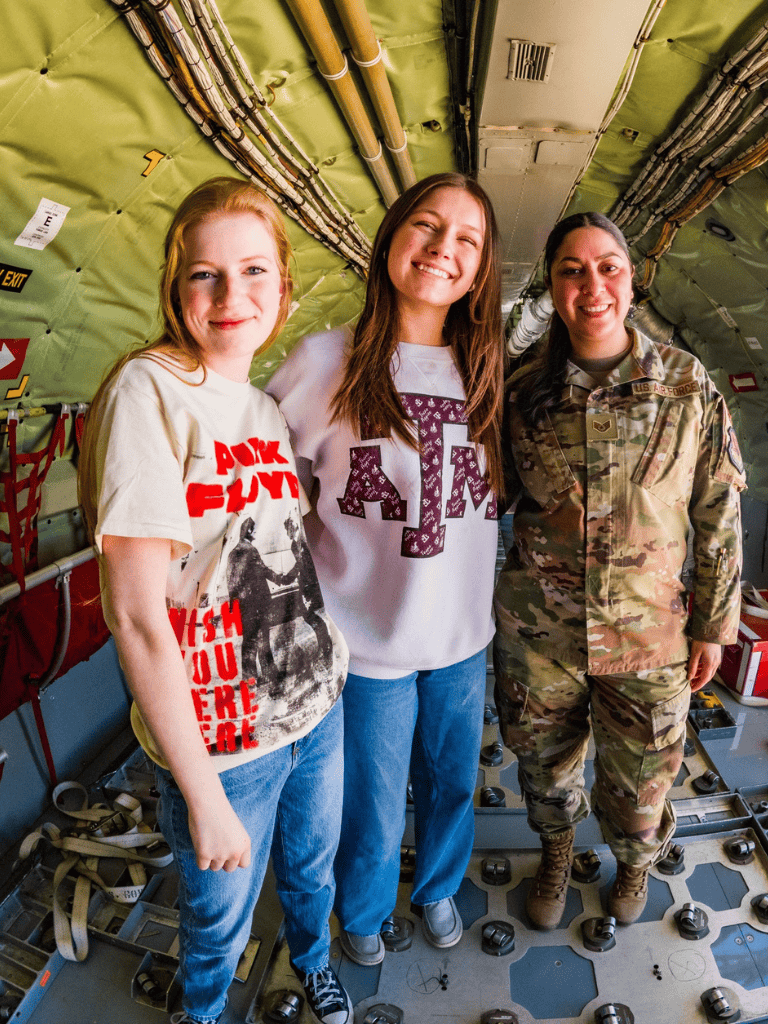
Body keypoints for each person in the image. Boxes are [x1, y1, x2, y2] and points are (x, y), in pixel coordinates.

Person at [78, 177, 352, 1024]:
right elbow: (134, 616)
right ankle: (201, 1013)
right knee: (218, 923)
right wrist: (201, 796)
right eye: (206, 275)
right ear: (176, 290)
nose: (232, 296)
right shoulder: (147, 395)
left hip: (314, 709)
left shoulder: (266, 411)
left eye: (254, 271)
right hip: (226, 747)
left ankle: (312, 962)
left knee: (312, 872)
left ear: (285, 288)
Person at [267, 172, 504, 966]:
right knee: (368, 803)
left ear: (481, 268)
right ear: (392, 237)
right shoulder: (322, 361)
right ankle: (362, 913)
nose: (443, 251)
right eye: (427, 227)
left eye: (466, 241)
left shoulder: (490, 369)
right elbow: (264, 489)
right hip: (363, 643)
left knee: (451, 786)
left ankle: (437, 887)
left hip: (463, 639)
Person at [493, 211, 745, 930]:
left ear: (633, 279)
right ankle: (557, 846)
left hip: (650, 632)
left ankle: (635, 862)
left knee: (643, 779)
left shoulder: (685, 384)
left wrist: (714, 628)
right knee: (542, 764)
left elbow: (717, 511)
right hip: (540, 634)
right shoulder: (522, 395)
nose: (591, 284)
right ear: (554, 286)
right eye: (572, 270)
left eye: (608, 266)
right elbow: (487, 498)